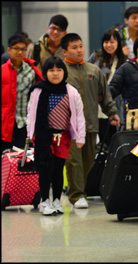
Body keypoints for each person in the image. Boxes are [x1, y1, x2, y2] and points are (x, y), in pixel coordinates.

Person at [61, 33, 120, 209]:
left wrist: (112, 113)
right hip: (68, 127)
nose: (79, 50)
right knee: (74, 161)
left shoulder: (93, 71)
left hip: (91, 124)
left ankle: (78, 189)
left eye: (81, 46)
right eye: (74, 47)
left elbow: (105, 96)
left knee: (88, 161)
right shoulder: (61, 71)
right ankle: (77, 194)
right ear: (65, 51)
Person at [27, 56, 86, 216]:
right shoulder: (38, 91)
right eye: (51, 70)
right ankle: (45, 200)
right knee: (45, 169)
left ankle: (57, 200)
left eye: (59, 70)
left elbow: (79, 115)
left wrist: (80, 137)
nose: (55, 73)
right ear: (45, 73)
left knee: (58, 170)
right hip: (43, 137)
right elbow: (31, 114)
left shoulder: (71, 91)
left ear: (64, 72)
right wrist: (30, 134)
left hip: (63, 138)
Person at [1, 34, 44, 151]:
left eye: (23, 49)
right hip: (6, 123)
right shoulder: (3, 71)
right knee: (5, 158)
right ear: (9, 50)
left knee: (22, 160)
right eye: (16, 48)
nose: (20, 52)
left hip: (25, 122)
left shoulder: (32, 71)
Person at [88, 28, 128, 144]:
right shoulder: (96, 56)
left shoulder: (123, 61)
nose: (109, 45)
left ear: (118, 43)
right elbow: (85, 71)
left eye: (112, 42)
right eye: (106, 42)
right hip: (94, 105)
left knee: (111, 141)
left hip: (114, 106)